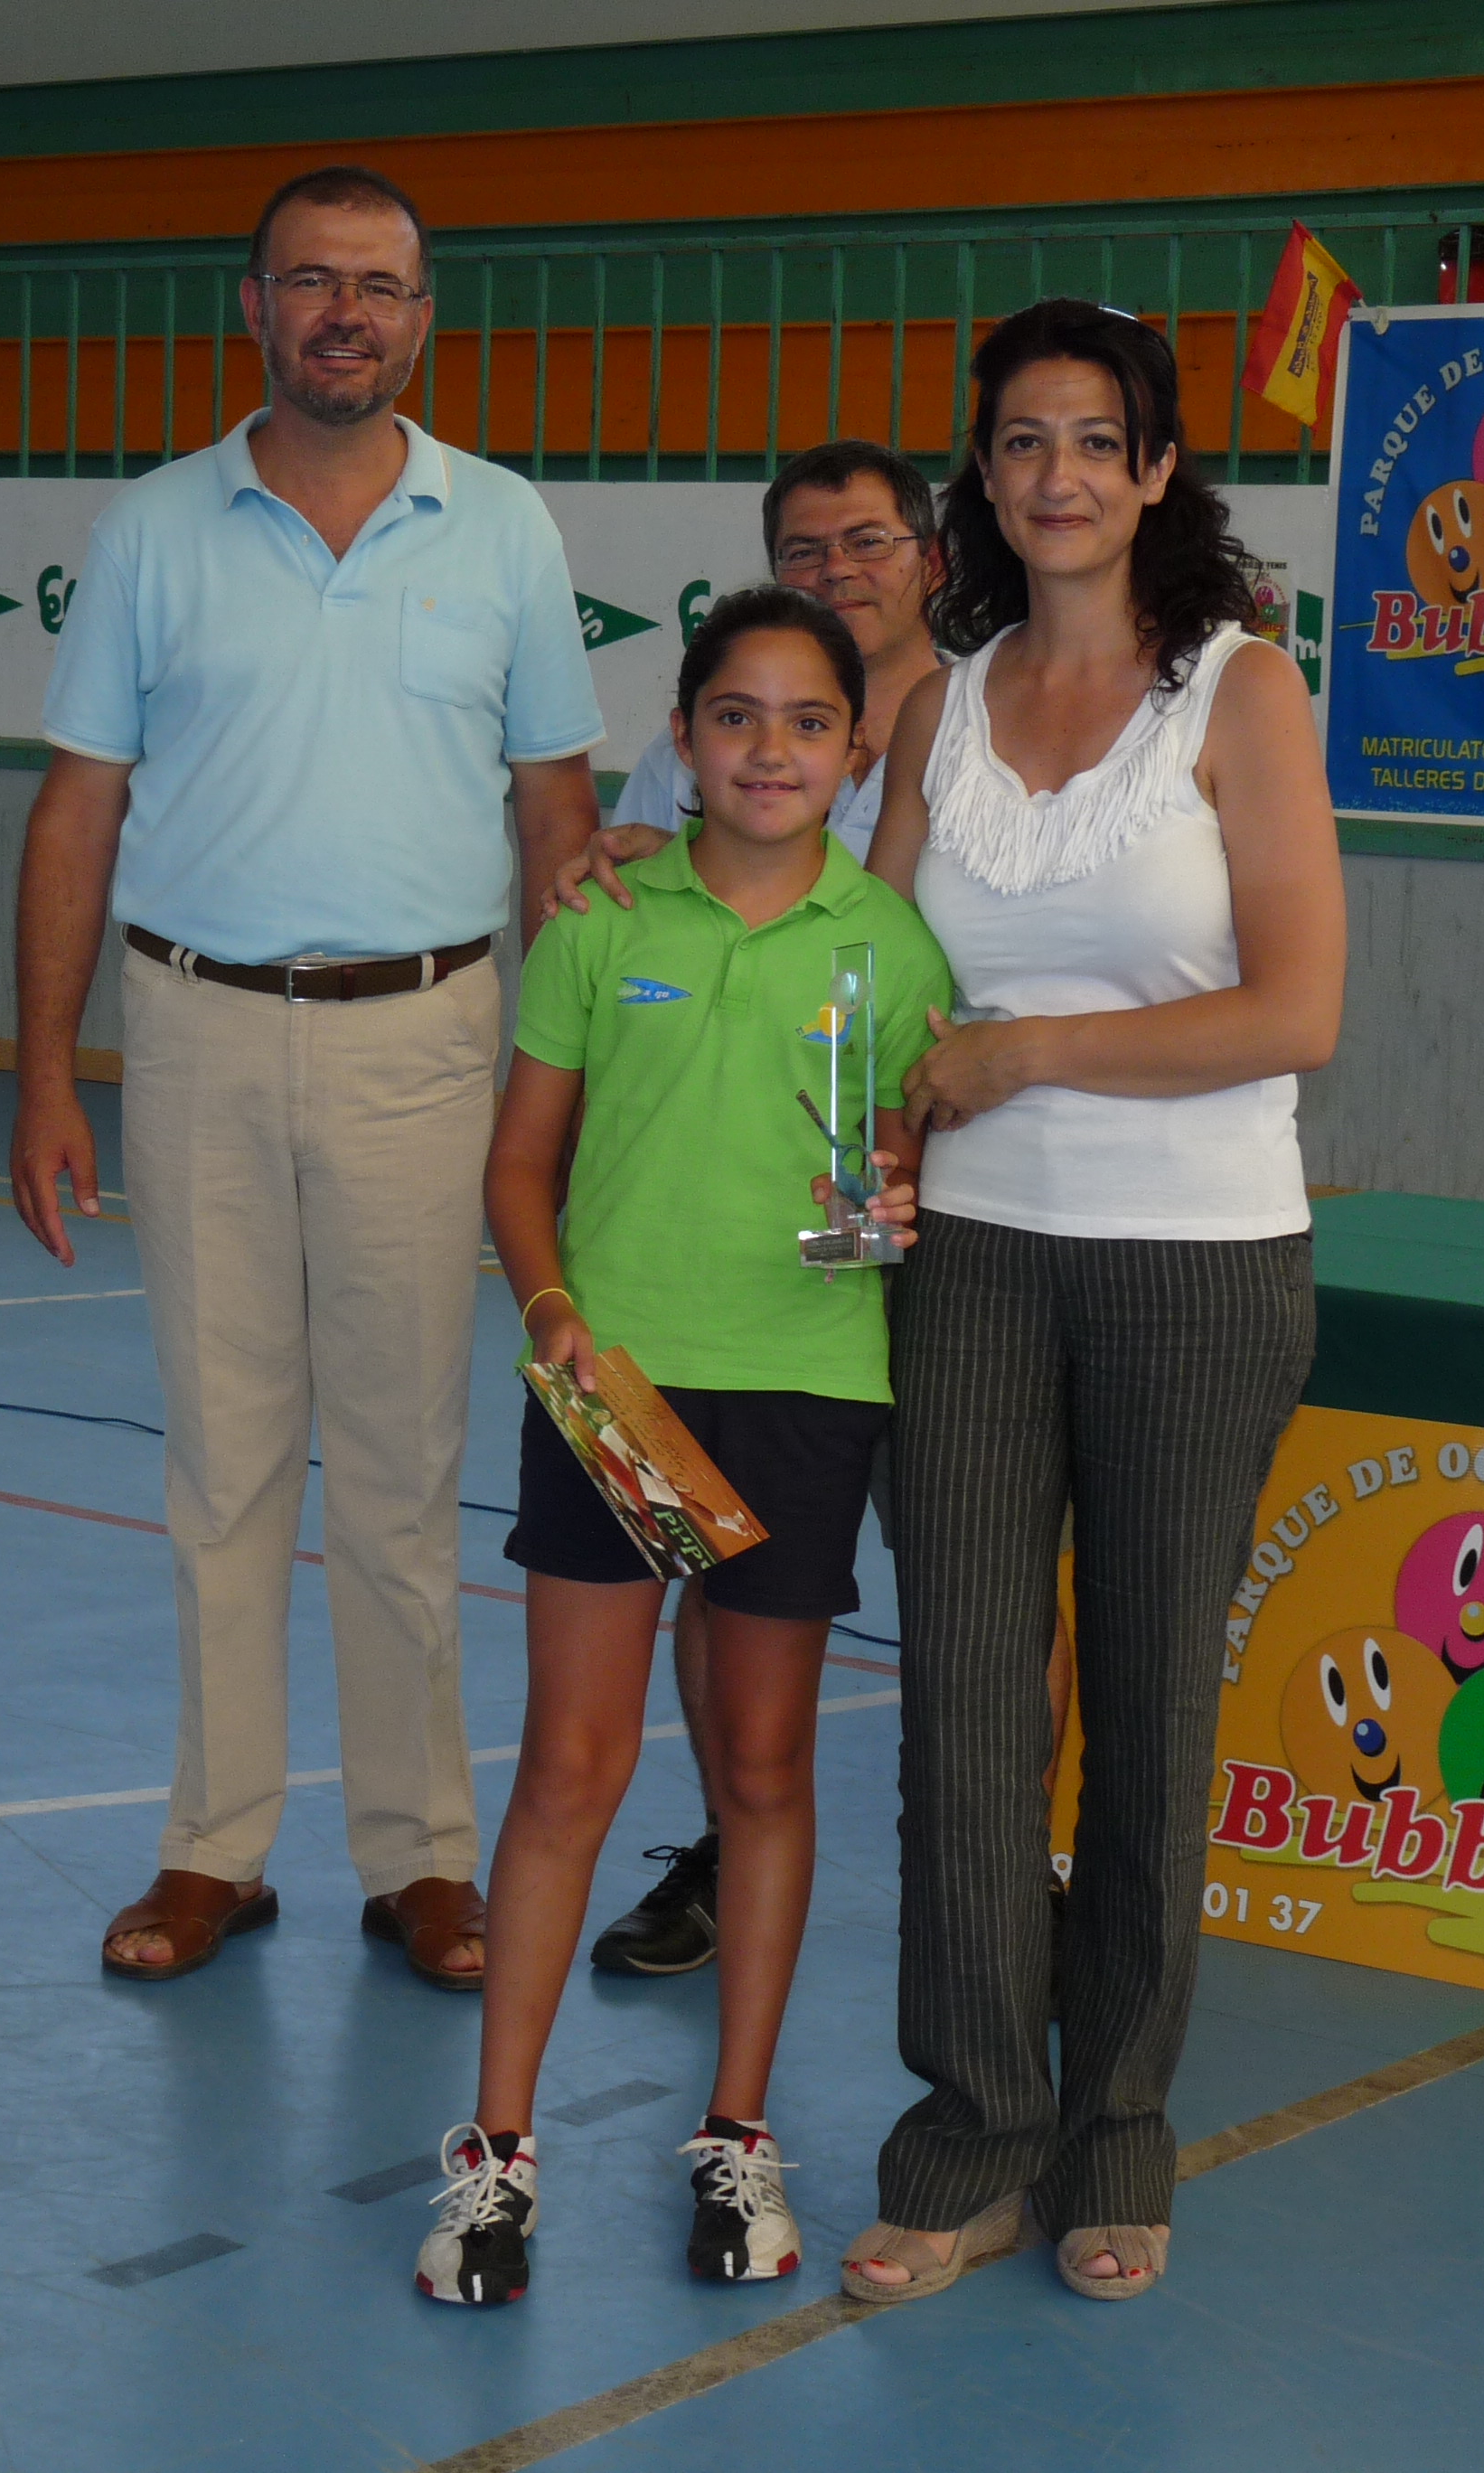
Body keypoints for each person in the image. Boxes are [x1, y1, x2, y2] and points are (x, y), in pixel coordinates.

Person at [11, 165, 606, 1994]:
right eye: (312, 280)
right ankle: (216, 1848)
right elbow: (78, 808)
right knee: (226, 1460)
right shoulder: (152, 531)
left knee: (407, 1470)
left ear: (425, 318)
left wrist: (570, 1097)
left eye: (380, 285)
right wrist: (45, 1074)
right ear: (252, 305)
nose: (347, 312)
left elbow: (557, 821)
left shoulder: (505, 528)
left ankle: (422, 1855)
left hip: (427, 1042)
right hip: (192, 1032)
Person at [835, 299, 1344, 2307]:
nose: (1058, 474)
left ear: (1157, 473)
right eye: (1023, 441)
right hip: (965, 1266)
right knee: (966, 1709)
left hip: (1200, 1270)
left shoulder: (1243, 689)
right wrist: (662, 876)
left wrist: (1028, 1051)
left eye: (1096, 440)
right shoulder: (935, 706)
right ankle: (972, 2135)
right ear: (982, 476)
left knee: (1145, 1713)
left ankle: (1117, 2132)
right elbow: (870, 979)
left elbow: (1297, 1011)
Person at [416, 588, 953, 2306]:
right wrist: (554, 1313)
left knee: (764, 1770)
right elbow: (521, 1162)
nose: (770, 749)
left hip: (802, 1387)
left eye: (809, 721)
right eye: (736, 715)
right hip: (615, 1390)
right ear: (685, 735)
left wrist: (899, 1196)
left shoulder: (894, 950)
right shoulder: (601, 914)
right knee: (571, 1768)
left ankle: (739, 2136)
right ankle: (497, 2159)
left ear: (855, 750)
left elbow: (900, 1166)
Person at [576, 439, 945, 1982]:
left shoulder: (982, 728)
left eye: (868, 541)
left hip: (945, 1237)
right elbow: (618, 907)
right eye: (804, 548)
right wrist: (616, 860)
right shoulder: (690, 761)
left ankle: (1011, 1882)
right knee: (718, 1585)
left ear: (931, 558)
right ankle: (727, 1845)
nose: (837, 569)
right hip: (739, 1280)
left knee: (978, 1576)